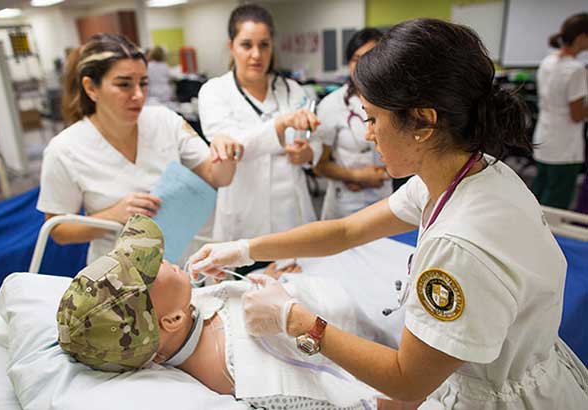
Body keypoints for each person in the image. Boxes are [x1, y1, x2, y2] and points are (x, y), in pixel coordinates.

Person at [188, 19, 588, 409]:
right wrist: (242, 249)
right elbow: (345, 231)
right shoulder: (466, 171)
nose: (367, 133)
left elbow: (407, 378)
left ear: (423, 122)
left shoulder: (458, 246)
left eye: (373, 118)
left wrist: (294, 319)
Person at [57, 214, 385, 409]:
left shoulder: (188, 314)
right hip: (376, 327)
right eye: (154, 268)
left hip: (336, 283)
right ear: (171, 320)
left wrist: (257, 275)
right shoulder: (248, 374)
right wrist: (291, 314)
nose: (165, 260)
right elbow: (361, 399)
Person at [38, 33, 242, 264]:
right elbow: (58, 230)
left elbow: (218, 177)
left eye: (143, 83)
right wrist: (113, 216)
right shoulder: (64, 149)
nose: (138, 95)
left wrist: (226, 152)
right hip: (118, 276)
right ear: (91, 88)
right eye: (124, 84)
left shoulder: (165, 121)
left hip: (180, 267)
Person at [197, 4, 321, 244]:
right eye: (247, 45)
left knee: (296, 274)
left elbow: (315, 142)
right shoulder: (214, 92)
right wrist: (281, 124)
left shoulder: (291, 89)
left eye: (264, 45)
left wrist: (308, 153)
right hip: (244, 214)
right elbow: (234, 147)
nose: (256, 54)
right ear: (231, 46)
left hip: (291, 213)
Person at [313, 28, 391, 220]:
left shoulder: (395, 102)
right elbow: (319, 166)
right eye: (356, 59)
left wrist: (383, 175)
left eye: (371, 57)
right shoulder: (331, 104)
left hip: (384, 201)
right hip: (345, 205)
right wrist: (356, 176)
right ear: (348, 63)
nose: (363, 65)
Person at [531, 13, 588, 209]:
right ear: (581, 38)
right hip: (564, 147)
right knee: (557, 201)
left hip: (544, 139)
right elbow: (577, 114)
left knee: (539, 192)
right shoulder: (576, 70)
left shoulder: (547, 62)